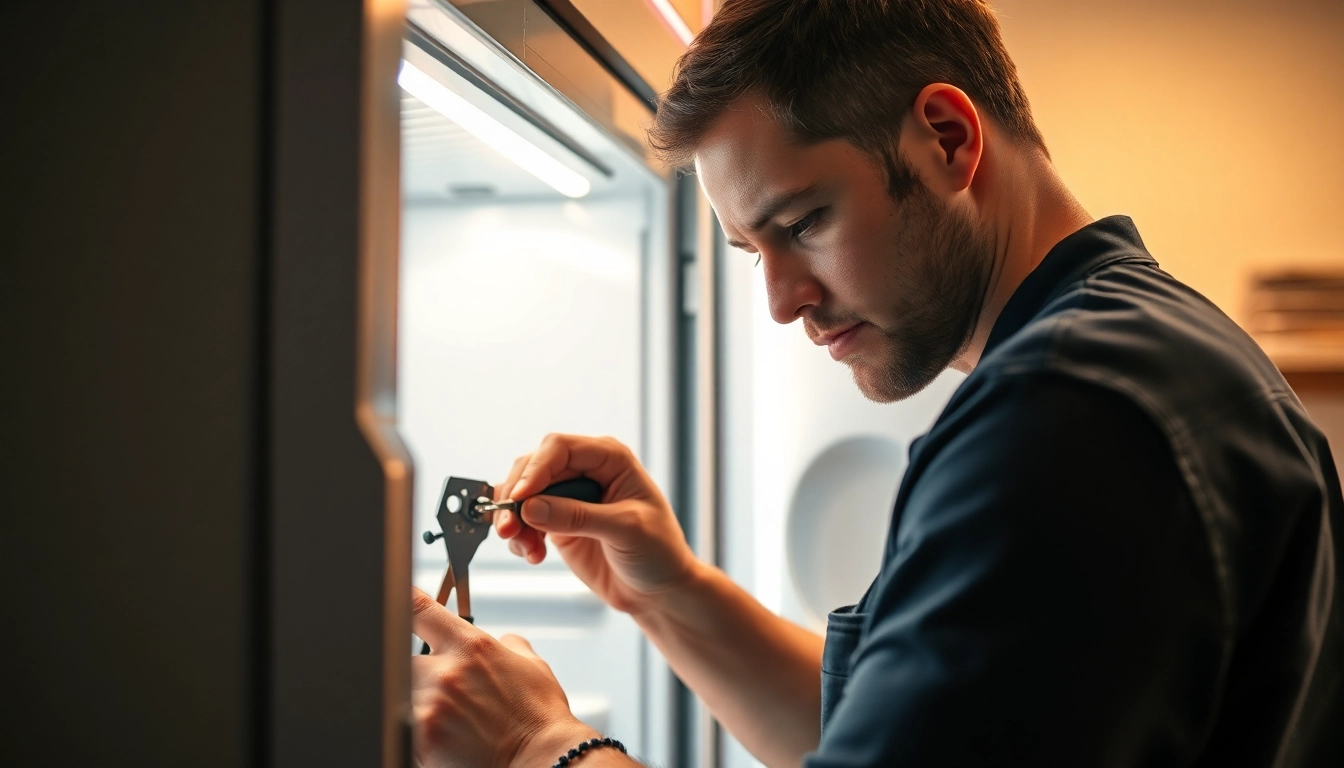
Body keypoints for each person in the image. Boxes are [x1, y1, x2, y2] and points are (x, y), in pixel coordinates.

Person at [408, 0, 1344, 766]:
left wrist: (537, 745)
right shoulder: (1131, 351)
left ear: (946, 138)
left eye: (804, 221)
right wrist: (669, 592)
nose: (781, 300)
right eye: (751, 250)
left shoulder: (1072, 414)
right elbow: (899, 736)